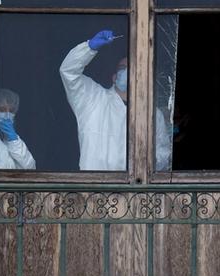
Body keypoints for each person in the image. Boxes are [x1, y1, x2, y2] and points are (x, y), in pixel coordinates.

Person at [60, 30, 171, 171]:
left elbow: (163, 153)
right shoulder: (92, 99)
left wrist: (148, 160)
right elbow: (68, 72)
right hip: (95, 188)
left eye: (134, 70)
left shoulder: (153, 115)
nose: (129, 73)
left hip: (134, 190)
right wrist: (89, 48)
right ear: (114, 77)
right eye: (124, 68)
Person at [0, 88, 36, 170]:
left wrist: (14, 141)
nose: (7, 115)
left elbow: (30, 168)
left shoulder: (10, 139)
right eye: (2, 110)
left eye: (12, 111)